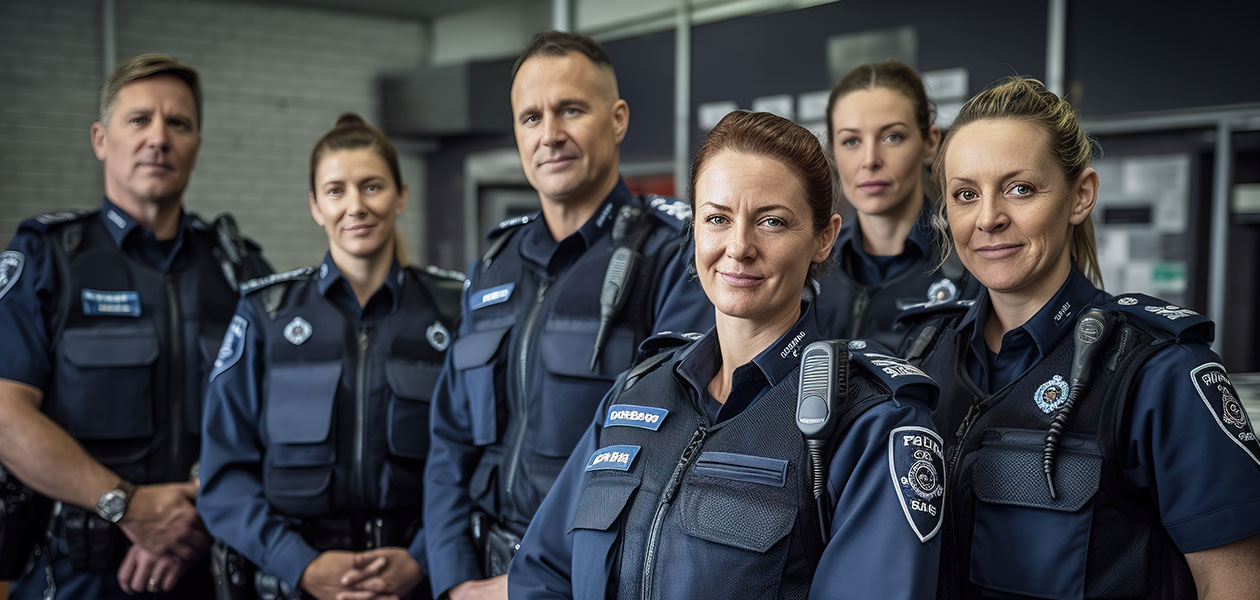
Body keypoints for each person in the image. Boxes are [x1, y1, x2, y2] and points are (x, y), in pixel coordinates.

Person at [509, 110, 944, 599]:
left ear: (824, 238)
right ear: (694, 227)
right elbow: (541, 572)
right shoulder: (634, 392)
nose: (739, 247)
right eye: (718, 218)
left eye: (772, 222)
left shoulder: (869, 424)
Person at [898, 77, 1260, 599]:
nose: (989, 218)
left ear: (1080, 196)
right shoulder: (922, 354)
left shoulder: (1159, 371)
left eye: (1021, 189)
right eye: (966, 195)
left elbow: (1235, 583)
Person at [423, 31, 713, 600]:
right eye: (531, 117)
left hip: (588, 577)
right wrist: (453, 579)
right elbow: (450, 440)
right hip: (477, 573)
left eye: (571, 110)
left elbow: (667, 452)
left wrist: (526, 583)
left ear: (618, 119)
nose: (549, 134)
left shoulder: (674, 254)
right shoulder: (494, 265)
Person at [0, 54, 271, 599]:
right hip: (76, 575)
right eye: (139, 120)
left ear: (196, 144)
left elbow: (276, 413)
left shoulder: (240, 272)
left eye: (179, 123)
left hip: (210, 572)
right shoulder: (48, 259)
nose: (159, 139)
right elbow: (6, 414)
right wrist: (127, 506)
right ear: (101, 140)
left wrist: (196, 511)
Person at [198, 114, 462, 600]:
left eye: (372, 187)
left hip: (416, 582)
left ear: (401, 196)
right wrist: (300, 565)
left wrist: (422, 559)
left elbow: (481, 458)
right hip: (292, 582)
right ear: (315, 206)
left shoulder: (454, 311)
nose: (355, 206)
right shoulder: (266, 315)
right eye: (336, 191)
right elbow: (223, 478)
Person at [815, 60, 975, 349]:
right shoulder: (809, 266)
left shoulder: (974, 261)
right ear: (833, 152)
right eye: (851, 141)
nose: (870, 160)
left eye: (892, 137)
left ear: (930, 142)